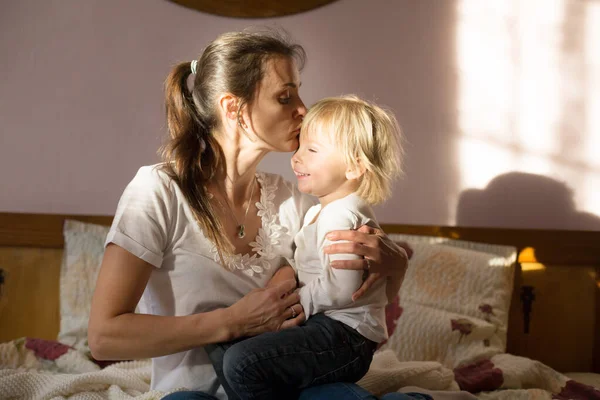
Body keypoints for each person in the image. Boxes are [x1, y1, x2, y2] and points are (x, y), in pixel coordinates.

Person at [88, 28, 410, 400]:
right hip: (193, 393)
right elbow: (103, 338)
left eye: (298, 93)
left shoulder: (298, 201)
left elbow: (349, 305)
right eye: (285, 96)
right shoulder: (157, 192)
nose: (303, 109)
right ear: (233, 108)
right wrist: (230, 323)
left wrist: (395, 264)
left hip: (294, 386)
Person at [203, 95, 431, 400]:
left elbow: (343, 288)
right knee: (223, 345)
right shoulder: (316, 212)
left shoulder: (344, 215)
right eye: (300, 147)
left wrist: (294, 305)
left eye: (311, 150)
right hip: (323, 326)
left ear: (353, 167)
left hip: (345, 335)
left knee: (242, 363)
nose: (296, 158)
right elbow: (305, 267)